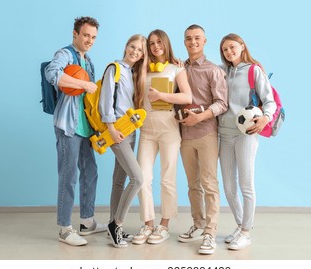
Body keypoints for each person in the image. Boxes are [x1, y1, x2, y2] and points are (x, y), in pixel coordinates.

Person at [45, 16, 106, 246]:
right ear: (75, 34)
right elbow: (52, 73)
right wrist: (83, 84)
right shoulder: (65, 54)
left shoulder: (88, 61)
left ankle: (87, 222)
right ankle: (64, 228)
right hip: (68, 127)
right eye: (86, 35)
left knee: (90, 172)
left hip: (86, 127)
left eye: (93, 37)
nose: (89, 40)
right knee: (68, 176)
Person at [132, 29, 192, 245]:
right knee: (143, 178)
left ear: (166, 43)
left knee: (167, 178)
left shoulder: (176, 68)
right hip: (147, 127)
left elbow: (187, 96)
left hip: (168, 126)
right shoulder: (142, 69)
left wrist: (162, 96)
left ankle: (164, 225)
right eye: (152, 43)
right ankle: (148, 224)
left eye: (159, 42)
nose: (156, 46)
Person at [218, 33, 277, 250]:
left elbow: (269, 100)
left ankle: (245, 232)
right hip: (223, 133)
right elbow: (201, 70)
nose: (229, 52)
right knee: (228, 186)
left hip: (246, 134)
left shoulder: (254, 70)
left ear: (242, 47)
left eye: (232, 47)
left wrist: (265, 118)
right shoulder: (222, 71)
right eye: (225, 49)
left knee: (245, 184)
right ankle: (241, 225)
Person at [177, 24, 228, 255]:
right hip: (184, 135)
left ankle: (210, 233)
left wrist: (200, 118)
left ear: (205, 41)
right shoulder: (179, 68)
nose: (193, 42)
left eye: (197, 38)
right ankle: (197, 225)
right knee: (192, 185)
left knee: (209, 184)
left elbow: (221, 103)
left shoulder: (213, 70)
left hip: (206, 132)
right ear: (184, 41)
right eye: (188, 38)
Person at [98, 34, 148, 248]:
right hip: (116, 130)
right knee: (137, 179)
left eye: (139, 50)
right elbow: (106, 100)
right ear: (125, 46)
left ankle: (112, 225)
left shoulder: (134, 72)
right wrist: (111, 128)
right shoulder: (114, 68)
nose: (134, 51)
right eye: (132, 47)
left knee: (119, 181)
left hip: (130, 130)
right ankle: (116, 224)